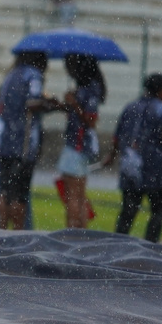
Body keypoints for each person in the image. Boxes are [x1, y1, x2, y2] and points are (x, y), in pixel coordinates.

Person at [102, 73, 162, 244]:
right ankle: (150, 248)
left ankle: (116, 246)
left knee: (128, 212)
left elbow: (117, 137)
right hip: (156, 171)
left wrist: (111, 156)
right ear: (161, 90)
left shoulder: (130, 107)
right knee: (158, 212)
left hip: (131, 170)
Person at [0, 51, 60, 230]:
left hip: (5, 140)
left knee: (4, 189)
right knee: (20, 191)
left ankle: (1, 230)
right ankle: (19, 233)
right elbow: (32, 103)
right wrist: (50, 104)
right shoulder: (33, 75)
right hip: (23, 142)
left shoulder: (11, 74)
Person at [57, 54, 105, 229]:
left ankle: (74, 232)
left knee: (74, 196)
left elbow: (90, 120)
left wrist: (74, 104)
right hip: (75, 145)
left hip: (77, 147)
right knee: (75, 195)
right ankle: (79, 233)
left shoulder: (90, 90)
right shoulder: (85, 89)